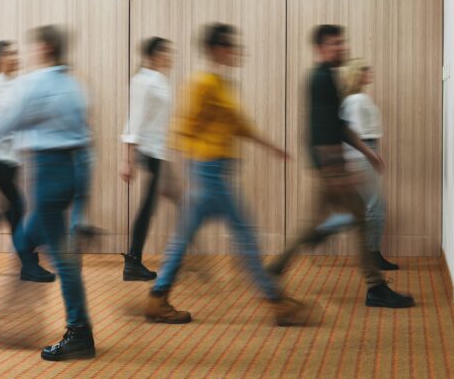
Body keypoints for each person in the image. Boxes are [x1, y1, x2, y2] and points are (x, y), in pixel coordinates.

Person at [145, 23, 304, 326]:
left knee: (183, 239)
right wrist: (177, 175)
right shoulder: (201, 84)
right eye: (232, 46)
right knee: (245, 235)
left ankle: (158, 298)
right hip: (208, 174)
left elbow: (238, 125)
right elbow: (181, 129)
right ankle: (276, 301)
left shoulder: (223, 84)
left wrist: (270, 146)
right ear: (217, 49)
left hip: (213, 173)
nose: (237, 51)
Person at [267, 25, 414, 309]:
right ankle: (375, 287)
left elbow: (339, 126)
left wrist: (367, 153)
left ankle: (277, 266)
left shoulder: (327, 79)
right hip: (330, 167)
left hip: (330, 166)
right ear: (321, 48)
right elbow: (321, 130)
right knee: (359, 218)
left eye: (342, 42)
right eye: (336, 44)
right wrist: (336, 171)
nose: (342, 48)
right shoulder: (320, 79)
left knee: (317, 223)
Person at [0, 25, 95, 361]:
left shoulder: (35, 83)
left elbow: (4, 121)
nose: (27, 54)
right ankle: (15, 317)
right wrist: (82, 206)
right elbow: (87, 138)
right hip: (75, 168)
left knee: (63, 258)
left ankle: (79, 331)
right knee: (25, 239)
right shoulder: (74, 85)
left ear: (45, 47)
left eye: (32, 48)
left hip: (48, 175)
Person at [0, 41, 55, 282]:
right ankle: (29, 264)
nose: (15, 56)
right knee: (18, 208)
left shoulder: (20, 84)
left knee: (14, 209)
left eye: (16, 52)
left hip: (14, 158)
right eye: (9, 53)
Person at [313, 59, 398, 270]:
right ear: (357, 75)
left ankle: (323, 229)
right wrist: (371, 155)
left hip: (362, 153)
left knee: (361, 209)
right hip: (363, 154)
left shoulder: (351, 99)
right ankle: (373, 255)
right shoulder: (357, 100)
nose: (369, 72)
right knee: (376, 207)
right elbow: (356, 134)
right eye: (364, 70)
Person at [119, 37, 174, 280]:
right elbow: (135, 120)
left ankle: (134, 260)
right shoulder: (142, 81)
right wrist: (127, 160)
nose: (169, 56)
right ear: (152, 55)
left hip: (160, 151)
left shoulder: (160, 80)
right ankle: (133, 261)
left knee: (151, 205)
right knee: (149, 206)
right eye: (165, 52)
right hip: (150, 152)